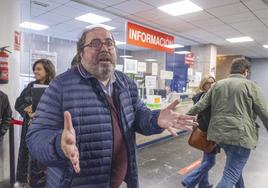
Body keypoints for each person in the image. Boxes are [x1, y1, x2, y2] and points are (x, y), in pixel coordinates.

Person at [26, 26, 197, 188]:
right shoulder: (61, 86)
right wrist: (58, 145)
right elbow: (35, 136)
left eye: (109, 43)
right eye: (95, 44)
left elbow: (138, 115)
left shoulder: (125, 83)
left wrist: (155, 119)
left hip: (119, 181)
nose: (104, 48)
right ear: (81, 53)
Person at [187, 58, 268, 188]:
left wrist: (183, 116)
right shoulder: (251, 86)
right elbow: (265, 112)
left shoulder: (217, 85)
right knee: (231, 173)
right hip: (240, 136)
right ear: (245, 71)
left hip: (219, 136)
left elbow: (200, 105)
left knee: (234, 166)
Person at [15, 59, 55, 187]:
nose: (35, 71)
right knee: (29, 161)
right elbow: (19, 103)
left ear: (47, 70)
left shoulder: (55, 87)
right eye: (35, 69)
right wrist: (27, 109)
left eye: (39, 69)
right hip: (30, 129)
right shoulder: (30, 86)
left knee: (45, 161)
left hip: (48, 131)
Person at [182, 75, 218, 188]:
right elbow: (208, 117)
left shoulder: (200, 96)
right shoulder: (207, 98)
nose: (211, 85)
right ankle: (189, 180)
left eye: (213, 82)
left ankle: (204, 184)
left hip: (203, 130)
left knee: (206, 159)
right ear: (204, 84)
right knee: (210, 162)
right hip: (208, 132)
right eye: (208, 82)